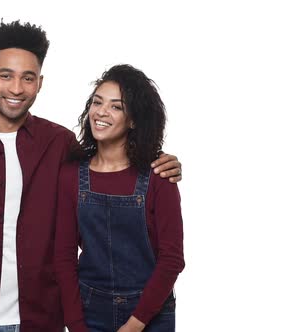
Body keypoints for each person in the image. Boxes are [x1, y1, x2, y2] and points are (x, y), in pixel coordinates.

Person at [0, 21, 182, 332]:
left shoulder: (60, 145)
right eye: (6, 75)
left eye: (28, 78)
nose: (16, 88)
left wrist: (161, 161)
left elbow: (113, 165)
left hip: (45, 318)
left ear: (40, 83)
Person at [54, 64, 184, 332]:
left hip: (151, 314)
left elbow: (172, 259)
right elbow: (64, 256)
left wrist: (135, 324)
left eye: (116, 106)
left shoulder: (159, 177)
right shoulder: (71, 175)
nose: (101, 112)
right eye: (97, 102)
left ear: (134, 120)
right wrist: (76, 325)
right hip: (90, 310)